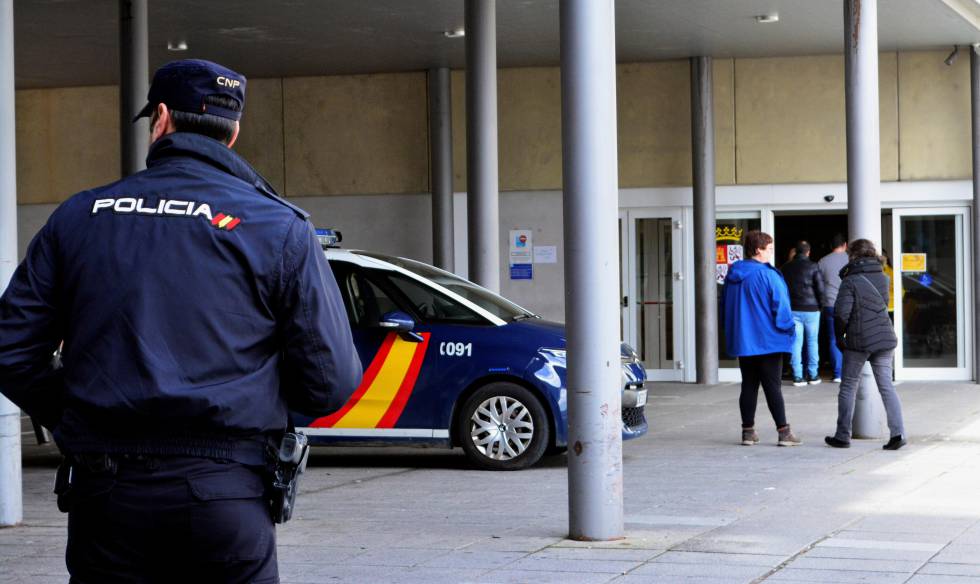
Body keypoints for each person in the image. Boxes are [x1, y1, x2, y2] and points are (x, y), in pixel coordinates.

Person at [0, 59, 364, 582]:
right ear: (233, 132)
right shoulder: (278, 225)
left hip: (107, 493)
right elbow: (331, 381)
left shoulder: (80, 215)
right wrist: (254, 403)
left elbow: (11, 349)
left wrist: (76, 414)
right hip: (228, 492)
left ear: (162, 118)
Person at [825, 239, 907, 451]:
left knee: (848, 386)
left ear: (853, 256)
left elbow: (841, 313)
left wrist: (838, 337)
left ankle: (842, 435)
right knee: (886, 386)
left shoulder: (850, 280)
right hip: (884, 337)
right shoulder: (883, 276)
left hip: (859, 340)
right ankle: (898, 433)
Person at [722, 230, 802, 447]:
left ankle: (748, 432)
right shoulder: (768, 275)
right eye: (770, 248)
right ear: (758, 250)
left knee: (748, 385)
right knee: (773, 387)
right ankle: (784, 433)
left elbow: (726, 308)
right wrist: (789, 330)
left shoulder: (733, 275)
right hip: (769, 340)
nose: (772, 252)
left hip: (744, 341)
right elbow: (782, 310)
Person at [781, 240, 826, 386]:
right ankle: (813, 375)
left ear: (796, 252)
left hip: (793, 310)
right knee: (812, 342)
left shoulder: (785, 268)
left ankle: (797, 376)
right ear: (808, 252)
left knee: (796, 343)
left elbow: (782, 291)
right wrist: (821, 306)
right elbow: (820, 289)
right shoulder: (814, 266)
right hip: (812, 310)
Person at [818, 234, 849, 382]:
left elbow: (819, 285)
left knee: (833, 339)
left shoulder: (822, 261)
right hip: (848, 303)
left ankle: (838, 374)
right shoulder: (850, 259)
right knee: (851, 337)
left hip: (830, 304)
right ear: (845, 245)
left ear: (831, 246)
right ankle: (851, 372)